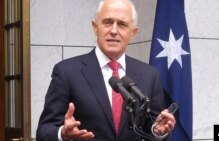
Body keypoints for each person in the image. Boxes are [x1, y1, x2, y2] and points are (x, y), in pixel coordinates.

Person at [36, 0, 176, 140]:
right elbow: (44, 131)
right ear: (95, 27)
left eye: (122, 24)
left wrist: (159, 131)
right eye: (107, 22)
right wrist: (62, 134)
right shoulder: (67, 72)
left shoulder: (150, 75)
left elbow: (152, 127)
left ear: (133, 32)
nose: (114, 31)